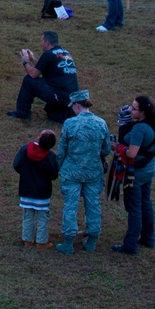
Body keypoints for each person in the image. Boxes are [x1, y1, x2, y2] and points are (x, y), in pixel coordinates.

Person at [55, 90, 110, 255]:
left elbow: (61, 151)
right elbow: (106, 150)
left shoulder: (69, 124)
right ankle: (91, 240)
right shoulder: (101, 123)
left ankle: (68, 241)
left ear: (76, 105)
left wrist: (57, 167)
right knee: (93, 205)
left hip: (72, 172)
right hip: (94, 173)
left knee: (70, 206)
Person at [113, 94, 155, 255]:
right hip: (149, 171)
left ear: (142, 111)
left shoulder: (139, 129)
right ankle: (148, 238)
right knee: (146, 203)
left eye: (134, 108)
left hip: (136, 174)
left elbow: (131, 154)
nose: (131, 110)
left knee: (134, 209)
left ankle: (130, 245)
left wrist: (116, 147)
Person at [7, 30, 78, 122]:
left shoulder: (48, 54)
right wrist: (33, 59)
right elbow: (45, 69)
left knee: (28, 80)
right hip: (70, 98)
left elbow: (33, 74)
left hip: (58, 95)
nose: (41, 43)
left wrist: (25, 61)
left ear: (47, 43)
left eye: (41, 41)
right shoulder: (66, 53)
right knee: (51, 112)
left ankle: (23, 113)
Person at [12, 129, 59, 247]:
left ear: (39, 138)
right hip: (42, 193)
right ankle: (41, 242)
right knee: (42, 218)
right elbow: (54, 174)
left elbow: (16, 165)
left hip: (26, 189)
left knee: (28, 216)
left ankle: (27, 240)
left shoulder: (25, 149)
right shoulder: (50, 156)